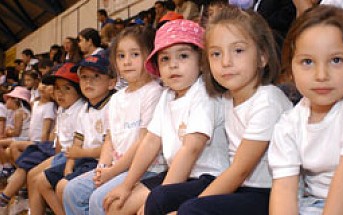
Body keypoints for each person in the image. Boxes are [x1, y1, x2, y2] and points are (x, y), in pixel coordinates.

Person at [103, 19, 229, 215]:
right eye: (165, 59)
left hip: (207, 177)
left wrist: (163, 194)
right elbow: (151, 141)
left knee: (149, 208)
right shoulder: (166, 95)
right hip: (176, 173)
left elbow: (192, 148)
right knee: (116, 207)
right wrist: (126, 185)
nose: (173, 65)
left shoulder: (204, 93)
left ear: (202, 62)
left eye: (183, 56)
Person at [174, 6, 292, 215]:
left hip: (270, 194)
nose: (226, 62)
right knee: (163, 198)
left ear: (262, 57)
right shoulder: (226, 98)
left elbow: (240, 170)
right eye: (216, 54)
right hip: (241, 189)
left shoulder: (268, 100)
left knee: (191, 210)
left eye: (238, 50)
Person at [268, 6, 343, 214]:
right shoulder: (288, 123)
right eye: (307, 62)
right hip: (313, 205)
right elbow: (284, 189)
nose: (321, 75)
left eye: (336, 60)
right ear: (291, 70)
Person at [63, 25, 167, 215]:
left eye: (135, 54)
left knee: (99, 200)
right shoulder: (117, 97)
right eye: (121, 56)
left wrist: (112, 171)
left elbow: (144, 142)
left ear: (149, 56)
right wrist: (102, 167)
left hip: (146, 168)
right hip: (116, 166)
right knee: (72, 191)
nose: (127, 62)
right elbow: (110, 138)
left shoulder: (154, 92)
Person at [34, 55, 116, 215]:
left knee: (63, 187)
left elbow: (110, 147)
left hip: (101, 162)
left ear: (111, 82)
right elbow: (77, 143)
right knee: (43, 181)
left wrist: (80, 154)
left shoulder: (113, 106)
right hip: (84, 160)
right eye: (84, 77)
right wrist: (69, 165)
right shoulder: (84, 109)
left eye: (96, 76)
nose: (88, 82)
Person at [0, 63, 84, 215]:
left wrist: (56, 161)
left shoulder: (80, 109)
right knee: (31, 173)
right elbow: (59, 140)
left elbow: (75, 143)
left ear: (79, 90)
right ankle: (32, 208)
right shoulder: (63, 108)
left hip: (73, 156)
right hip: (61, 154)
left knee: (39, 178)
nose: (60, 93)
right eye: (57, 88)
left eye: (67, 88)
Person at [0, 87, 31, 179]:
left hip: (23, 138)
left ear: (15, 100)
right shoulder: (20, 111)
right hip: (22, 138)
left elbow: (16, 133)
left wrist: (9, 131)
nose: (7, 101)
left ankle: (7, 166)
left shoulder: (18, 113)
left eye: (9, 98)